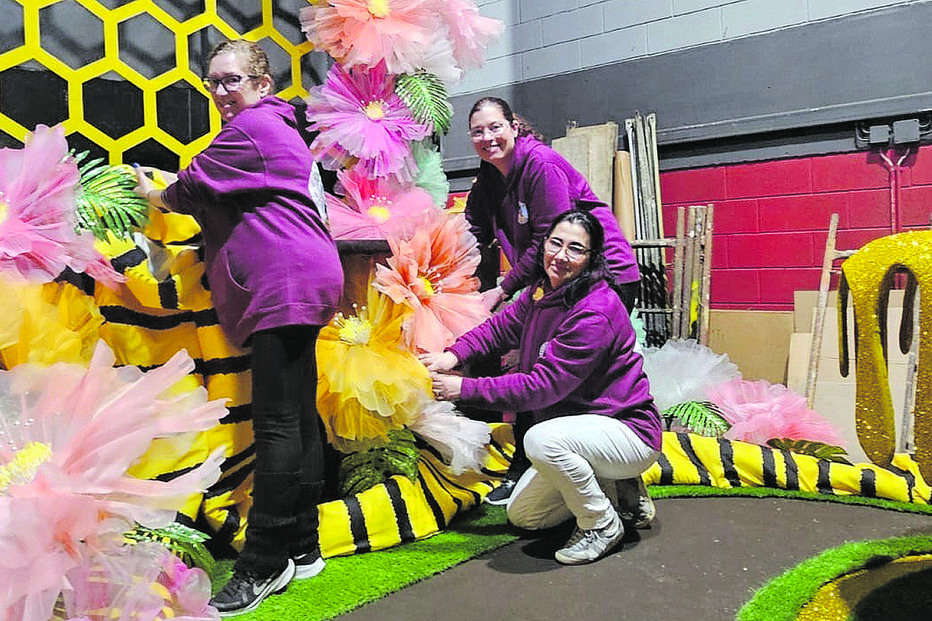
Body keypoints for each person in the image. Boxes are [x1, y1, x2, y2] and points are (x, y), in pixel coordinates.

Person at [134, 40, 343, 616]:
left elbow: (188, 188)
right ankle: (303, 545)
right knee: (298, 415)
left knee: (276, 423)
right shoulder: (274, 129)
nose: (221, 93)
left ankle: (264, 561)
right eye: (213, 83)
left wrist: (152, 192)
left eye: (232, 81)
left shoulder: (250, 131)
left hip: (285, 283)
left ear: (262, 84)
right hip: (301, 279)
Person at [420, 208, 661, 565]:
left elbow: (541, 388)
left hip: (626, 430)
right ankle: (617, 488)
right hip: (580, 430)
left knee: (540, 440)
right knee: (526, 517)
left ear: (592, 259)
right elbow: (501, 329)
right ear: (544, 244)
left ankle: (602, 523)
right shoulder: (542, 291)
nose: (561, 256)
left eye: (575, 249)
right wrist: (453, 356)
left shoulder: (595, 310)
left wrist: (463, 389)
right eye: (555, 243)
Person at [464, 96, 642, 504]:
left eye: (495, 127)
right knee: (544, 366)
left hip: (601, 276)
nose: (488, 137)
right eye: (478, 131)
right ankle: (592, 472)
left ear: (514, 126)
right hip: (557, 276)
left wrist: (504, 288)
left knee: (552, 372)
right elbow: (471, 224)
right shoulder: (491, 174)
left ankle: (542, 466)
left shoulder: (539, 165)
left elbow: (552, 243)